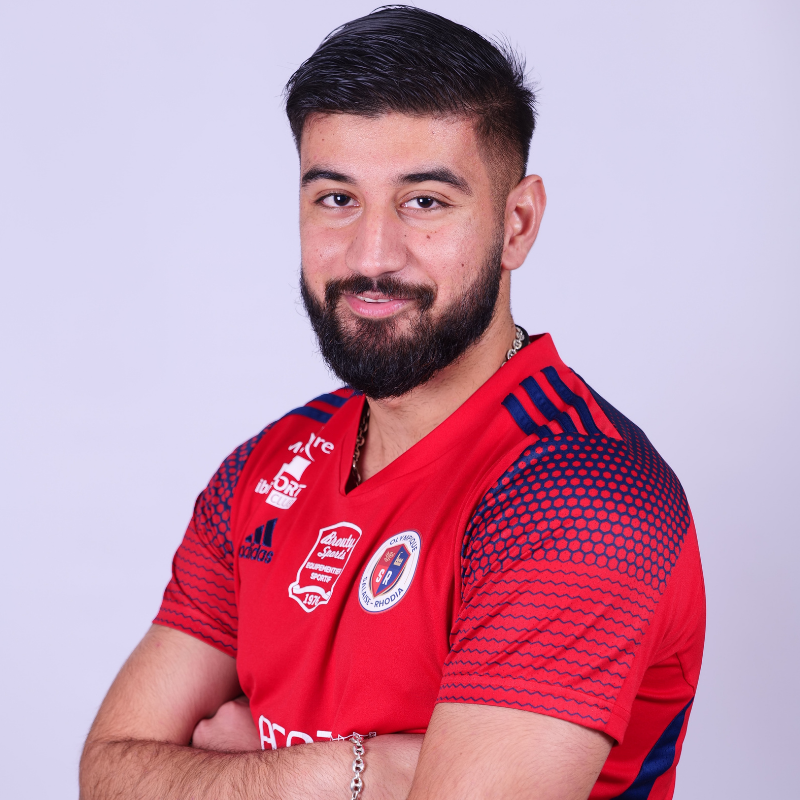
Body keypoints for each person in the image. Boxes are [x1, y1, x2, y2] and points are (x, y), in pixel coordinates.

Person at [80, 6, 705, 799]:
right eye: (337, 198)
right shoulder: (263, 470)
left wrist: (233, 771)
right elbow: (109, 772)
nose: (372, 256)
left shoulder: (582, 497)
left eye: (425, 201)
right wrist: (368, 769)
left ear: (517, 224)